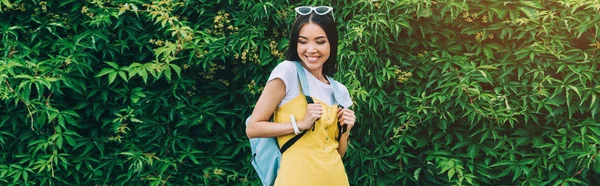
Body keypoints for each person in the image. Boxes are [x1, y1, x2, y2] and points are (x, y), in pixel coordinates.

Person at [246, 5, 357, 186]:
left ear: (332, 43)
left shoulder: (340, 90)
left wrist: (345, 132)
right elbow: (253, 128)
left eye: (320, 42)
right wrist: (300, 125)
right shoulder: (287, 72)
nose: (311, 49)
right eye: (303, 41)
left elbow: (337, 154)